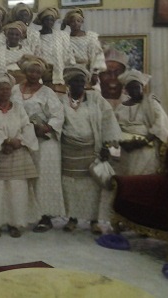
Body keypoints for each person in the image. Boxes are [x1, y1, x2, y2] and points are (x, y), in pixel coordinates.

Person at [59, 65, 121, 235]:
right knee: (70, 187)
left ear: (86, 82)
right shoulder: (61, 101)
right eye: (74, 81)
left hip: (91, 150)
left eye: (81, 81)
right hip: (69, 152)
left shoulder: (96, 99)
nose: (78, 84)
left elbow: (109, 121)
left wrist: (107, 146)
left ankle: (94, 221)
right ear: (68, 83)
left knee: (92, 187)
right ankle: (72, 219)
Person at [11, 55, 65, 233]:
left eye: (38, 71)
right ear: (24, 71)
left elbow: (58, 115)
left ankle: (45, 217)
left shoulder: (48, 92)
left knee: (43, 178)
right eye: (31, 70)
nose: (34, 74)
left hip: (44, 141)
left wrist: (46, 127)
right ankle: (23, 215)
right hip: (23, 140)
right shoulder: (14, 90)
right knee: (23, 178)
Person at [0, 73, 38, 238]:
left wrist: (18, 142)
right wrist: (4, 142)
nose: (5, 92)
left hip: (18, 153)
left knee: (17, 190)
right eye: (1, 89)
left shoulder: (19, 108)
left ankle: (15, 223)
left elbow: (27, 127)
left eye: (7, 89)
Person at [115, 70, 168, 176]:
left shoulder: (150, 103)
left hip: (146, 149)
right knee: (128, 181)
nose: (134, 91)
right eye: (131, 88)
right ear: (127, 90)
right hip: (127, 151)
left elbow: (161, 123)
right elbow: (113, 128)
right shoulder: (120, 108)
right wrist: (123, 143)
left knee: (145, 183)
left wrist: (144, 141)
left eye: (136, 87)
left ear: (142, 87)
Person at [61, 8, 106, 90]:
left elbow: (98, 55)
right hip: (70, 71)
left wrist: (95, 73)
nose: (75, 24)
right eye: (72, 21)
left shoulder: (90, 37)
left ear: (82, 22)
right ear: (69, 23)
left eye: (78, 21)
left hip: (88, 70)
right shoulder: (64, 38)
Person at [33, 7, 75, 93]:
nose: (49, 22)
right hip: (41, 74)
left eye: (51, 20)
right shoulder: (34, 36)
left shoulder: (62, 36)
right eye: (46, 20)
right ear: (42, 21)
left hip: (59, 73)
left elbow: (68, 53)